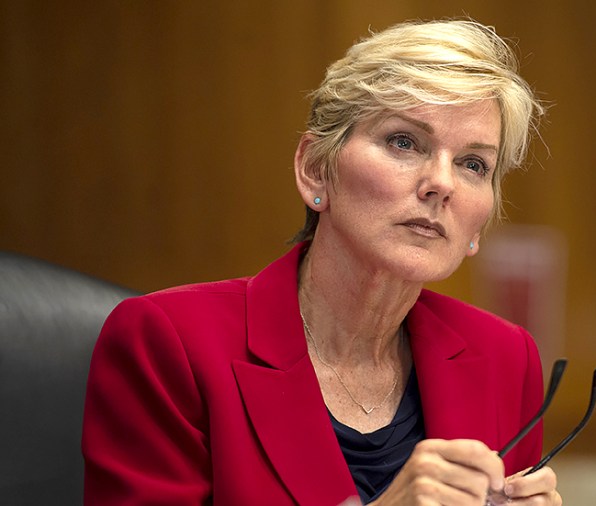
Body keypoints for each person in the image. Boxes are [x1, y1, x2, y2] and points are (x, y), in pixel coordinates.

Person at [82, 18, 559, 505]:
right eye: (404, 142)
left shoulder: (506, 358)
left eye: (473, 164)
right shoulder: (169, 342)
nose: (443, 183)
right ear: (315, 169)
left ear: (478, 226)